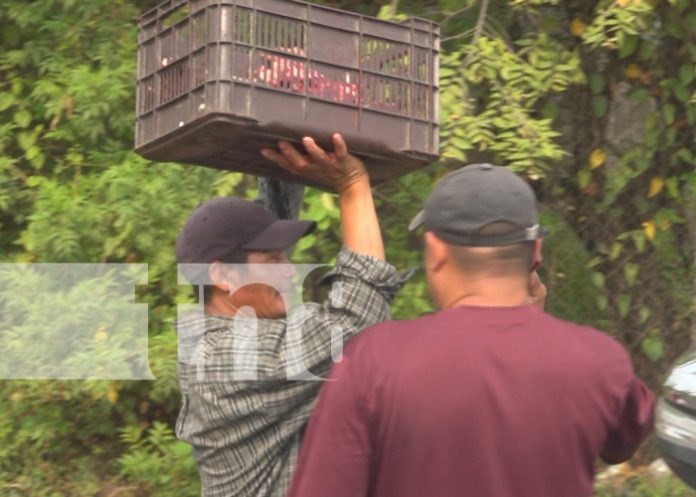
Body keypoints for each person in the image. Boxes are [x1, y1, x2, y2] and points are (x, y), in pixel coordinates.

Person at [287, 164, 656, 497]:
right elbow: (626, 435)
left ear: (437, 251)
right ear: (536, 252)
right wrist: (534, 326)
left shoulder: (374, 360)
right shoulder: (598, 360)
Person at [174, 134, 407, 497]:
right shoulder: (227, 361)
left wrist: (286, 136)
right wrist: (352, 185)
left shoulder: (237, 335)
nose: (290, 270)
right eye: (274, 260)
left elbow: (267, 227)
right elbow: (358, 323)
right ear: (220, 276)